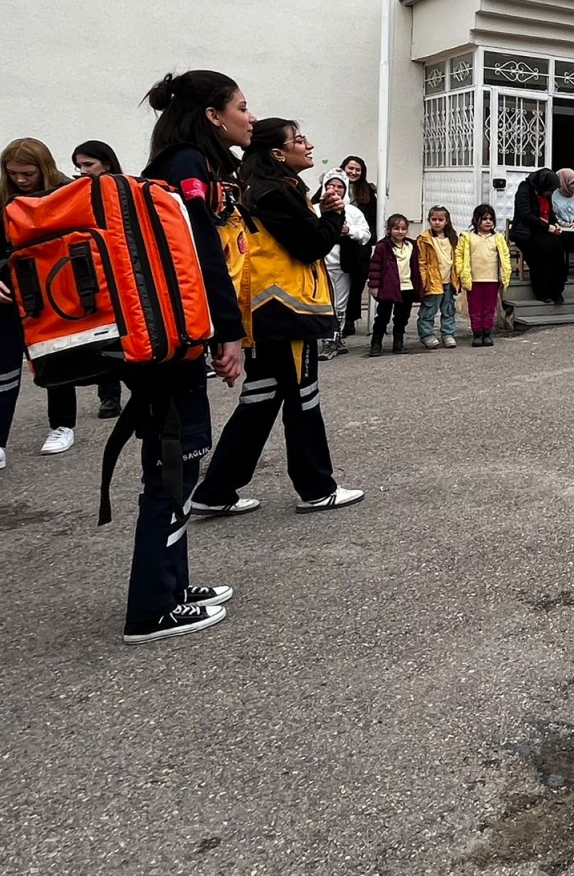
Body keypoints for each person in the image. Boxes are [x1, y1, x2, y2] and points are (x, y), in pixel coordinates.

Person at [112, 70, 252, 642]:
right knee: (172, 470)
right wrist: (229, 334)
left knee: (179, 465)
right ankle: (150, 611)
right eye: (242, 106)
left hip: (168, 339)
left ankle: (173, 586)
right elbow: (203, 262)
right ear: (215, 115)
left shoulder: (176, 164)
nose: (250, 115)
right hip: (172, 346)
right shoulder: (188, 166)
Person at [190, 116, 363, 520]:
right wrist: (334, 217)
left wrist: (319, 211)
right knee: (303, 397)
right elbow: (312, 245)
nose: (308, 145)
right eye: (298, 139)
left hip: (267, 311)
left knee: (262, 396)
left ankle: (216, 490)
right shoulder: (274, 192)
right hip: (285, 312)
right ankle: (317, 487)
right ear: (277, 153)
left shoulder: (266, 189)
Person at [0, 138, 79, 472]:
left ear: (43, 168)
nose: (21, 180)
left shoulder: (67, 192)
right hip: (8, 292)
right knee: (2, 366)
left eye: (27, 173)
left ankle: (62, 425)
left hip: (56, 293)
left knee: (57, 358)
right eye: (13, 174)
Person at [71, 140, 128, 417]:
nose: (82, 171)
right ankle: (109, 396)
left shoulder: (122, 189)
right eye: (79, 166)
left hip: (123, 271)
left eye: (88, 165)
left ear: (106, 164)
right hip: (96, 271)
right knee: (105, 335)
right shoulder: (77, 192)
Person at [317, 168, 370, 360]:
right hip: (319, 263)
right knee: (323, 301)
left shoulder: (353, 211)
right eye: (331, 185)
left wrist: (349, 230)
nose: (335, 189)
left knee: (339, 303)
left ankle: (333, 339)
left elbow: (366, 235)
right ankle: (326, 338)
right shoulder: (315, 208)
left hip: (344, 263)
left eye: (340, 186)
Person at [456, 203, 514, 347]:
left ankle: (487, 333)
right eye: (484, 219)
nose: (488, 222)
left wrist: (505, 275)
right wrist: (461, 273)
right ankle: (477, 334)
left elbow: (505, 256)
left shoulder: (497, 238)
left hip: (492, 279)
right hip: (474, 280)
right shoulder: (467, 237)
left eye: (491, 219)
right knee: (475, 308)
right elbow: (459, 255)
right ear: (476, 220)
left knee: (489, 308)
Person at [366, 212, 421, 357]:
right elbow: (375, 267)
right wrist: (374, 286)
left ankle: (398, 342)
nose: (400, 232)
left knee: (402, 317)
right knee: (383, 316)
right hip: (388, 287)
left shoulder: (411, 245)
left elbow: (416, 267)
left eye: (403, 229)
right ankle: (376, 343)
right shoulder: (382, 247)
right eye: (396, 229)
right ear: (389, 230)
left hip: (407, 287)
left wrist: (418, 285)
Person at [511, 168, 567, 305]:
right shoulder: (525, 189)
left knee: (558, 248)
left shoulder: (546, 193)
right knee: (542, 250)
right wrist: (547, 227)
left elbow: (550, 213)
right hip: (527, 232)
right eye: (550, 190)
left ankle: (557, 290)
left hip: (544, 231)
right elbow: (526, 215)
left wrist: (556, 224)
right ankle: (541, 290)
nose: (550, 193)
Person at [336, 155, 377, 335]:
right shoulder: (332, 186)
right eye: (350, 168)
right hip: (337, 245)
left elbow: (373, 218)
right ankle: (336, 319)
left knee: (357, 283)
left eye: (357, 169)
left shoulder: (367, 192)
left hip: (360, 245)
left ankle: (351, 319)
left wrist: (372, 237)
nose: (353, 172)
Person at [415, 205, 460, 350]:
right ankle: (427, 335)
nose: (437, 222)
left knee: (448, 309)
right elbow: (421, 261)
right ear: (429, 220)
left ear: (447, 221)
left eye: (441, 219)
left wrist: (458, 278)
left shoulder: (452, 238)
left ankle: (448, 334)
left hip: (449, 281)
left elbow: (457, 259)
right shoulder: (424, 239)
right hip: (433, 281)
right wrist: (423, 280)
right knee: (429, 310)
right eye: (434, 219)